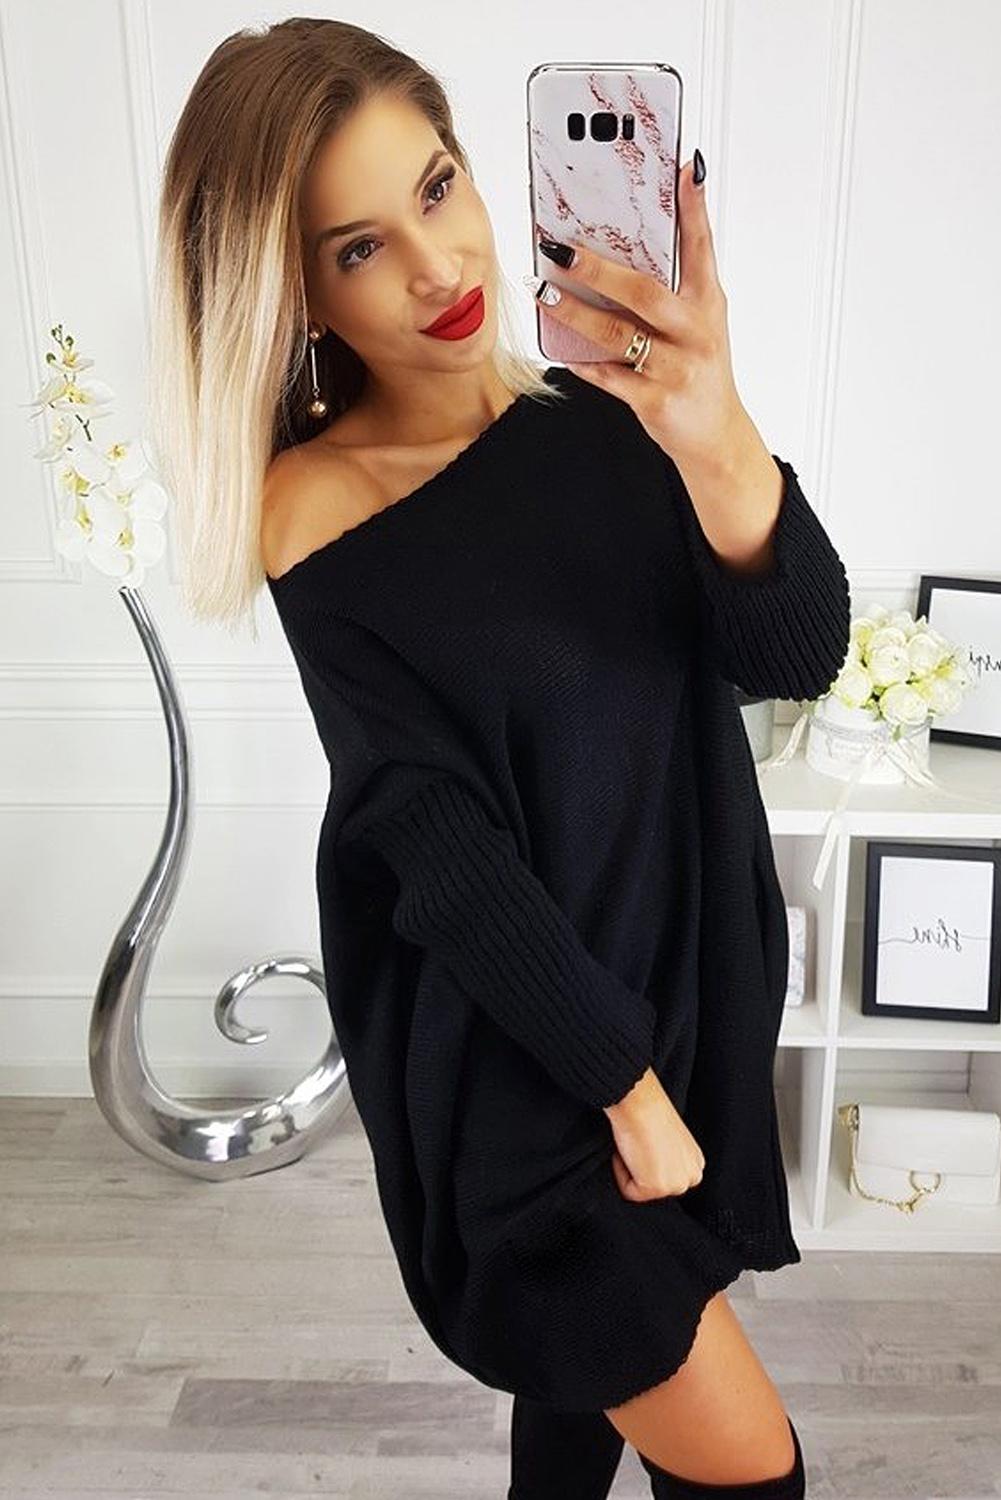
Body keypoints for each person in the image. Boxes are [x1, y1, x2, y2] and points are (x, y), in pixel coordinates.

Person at [148, 18, 850, 1497]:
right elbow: (440, 847)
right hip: (529, 1073)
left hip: (670, 1008)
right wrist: (626, 1093)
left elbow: (792, 657)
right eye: (358, 248)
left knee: (579, 1414)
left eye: (437, 187)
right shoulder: (317, 506)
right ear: (291, 289)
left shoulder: (615, 416)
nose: (437, 266)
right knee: (751, 1473)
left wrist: (718, 426)